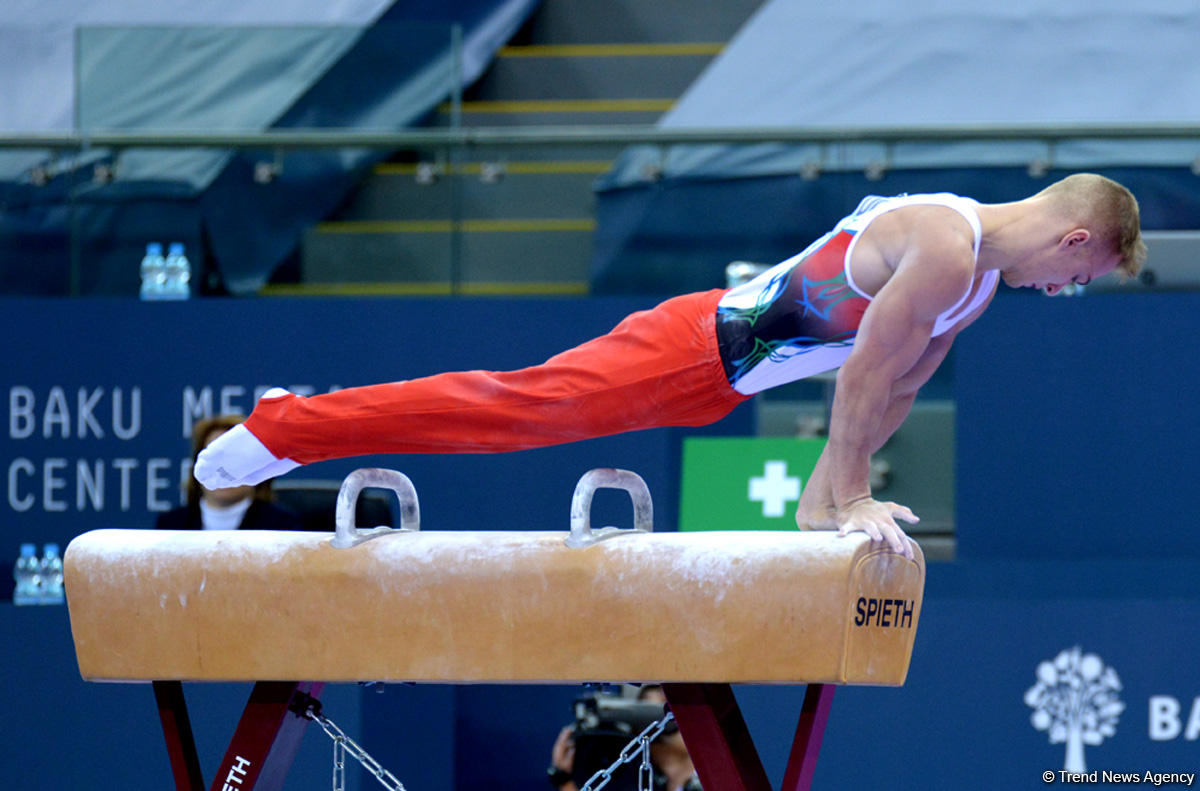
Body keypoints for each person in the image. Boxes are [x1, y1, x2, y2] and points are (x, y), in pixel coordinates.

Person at [195, 174, 1145, 556]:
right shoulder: (944, 242)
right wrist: (853, 492)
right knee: (503, 413)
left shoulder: (976, 288)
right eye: (1082, 276)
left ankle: (292, 422)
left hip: (716, 383)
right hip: (688, 350)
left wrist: (825, 503)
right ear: (1073, 240)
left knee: (504, 412)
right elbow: (859, 374)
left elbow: (896, 386)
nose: (1066, 291)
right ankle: (286, 426)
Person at [157, 415, 301, 531]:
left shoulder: (283, 526)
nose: (223, 471)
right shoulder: (170, 525)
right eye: (215, 459)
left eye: (234, 460)